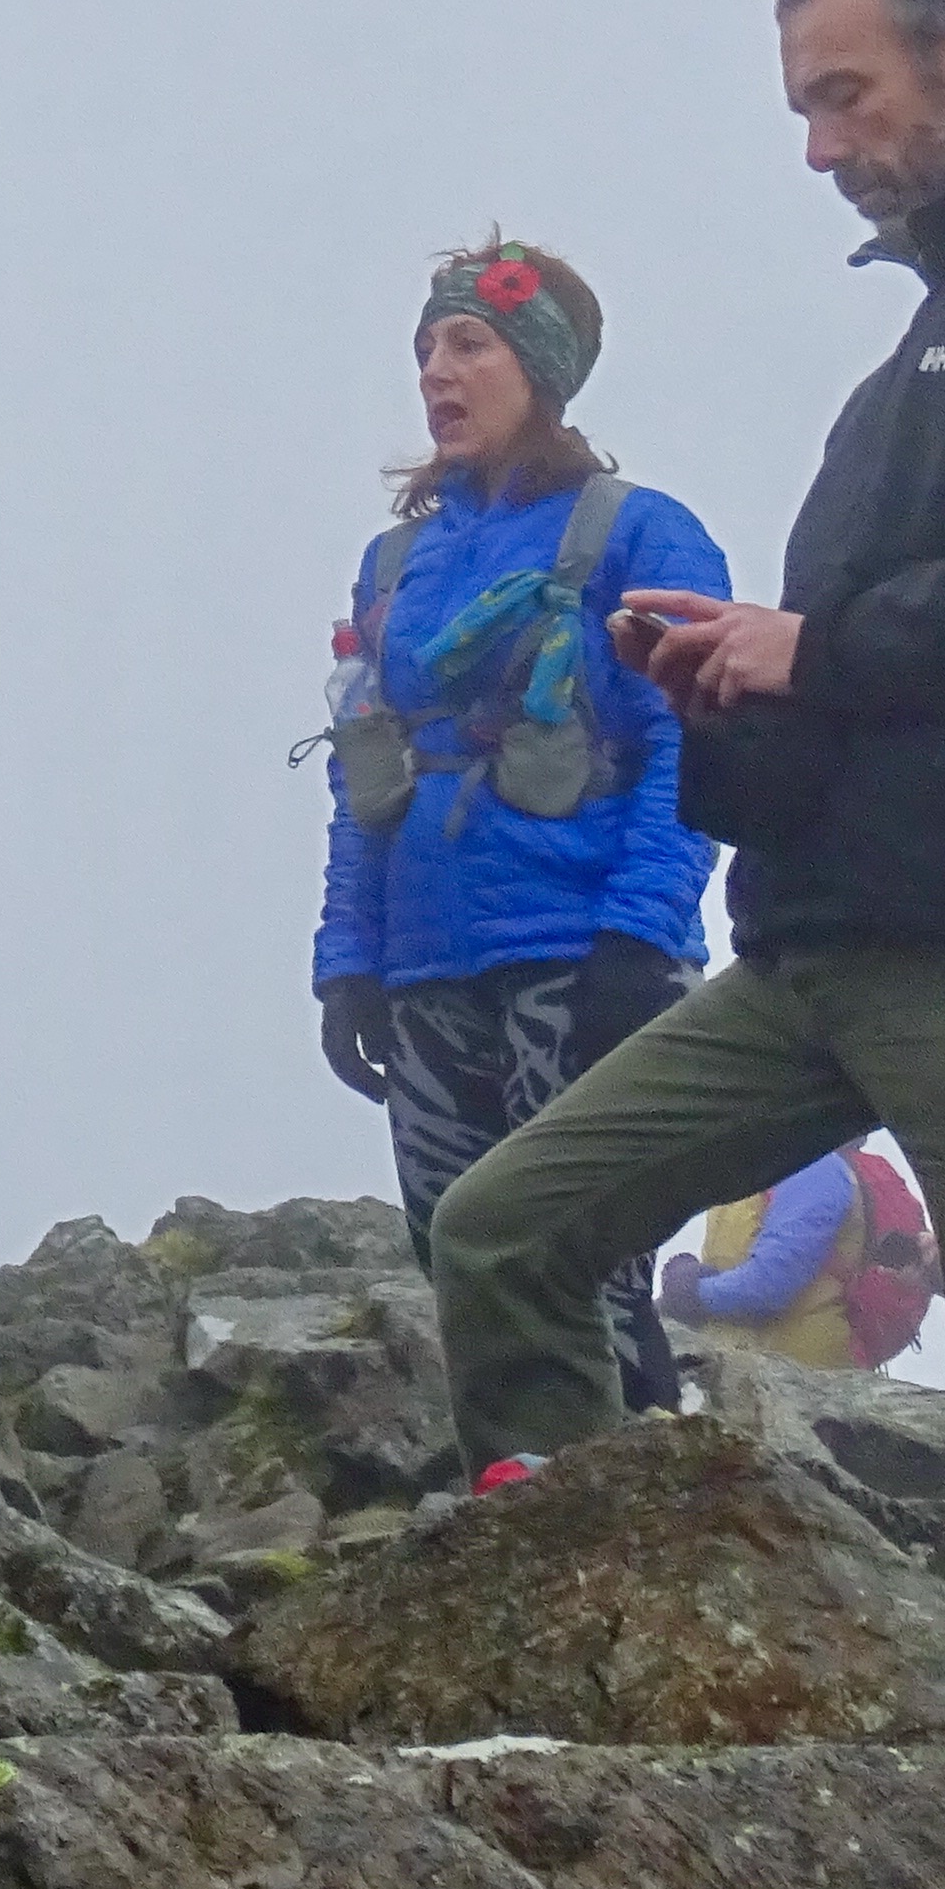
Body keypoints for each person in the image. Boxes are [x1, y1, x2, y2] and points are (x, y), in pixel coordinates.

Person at [432, 0, 945, 1718]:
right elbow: (846, 685)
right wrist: (711, 688)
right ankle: (582, 1667)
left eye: (841, 93)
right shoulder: (907, 359)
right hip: (807, 949)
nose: (814, 146)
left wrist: (816, 640)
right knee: (500, 1227)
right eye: (800, 105)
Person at [308, 240, 730, 1414]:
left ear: (539, 367)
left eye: (468, 344)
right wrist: (348, 962)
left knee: (582, 1252)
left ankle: (636, 1488)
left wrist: (640, 943)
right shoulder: (393, 564)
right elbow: (367, 766)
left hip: (577, 946)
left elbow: (688, 741)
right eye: (425, 349)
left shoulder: (641, 534)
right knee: (462, 1264)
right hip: (426, 956)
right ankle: (514, 1496)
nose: (437, 371)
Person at [658, 1149, 891, 1370]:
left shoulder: (813, 1166)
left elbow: (771, 1283)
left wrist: (688, 1293)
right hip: (748, 1368)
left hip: (805, 1377)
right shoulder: (755, 1169)